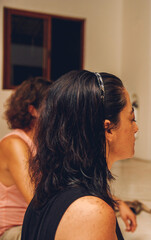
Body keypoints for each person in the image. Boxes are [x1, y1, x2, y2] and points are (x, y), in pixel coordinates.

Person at [21, 70, 138, 240]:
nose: (136, 128)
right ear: (108, 129)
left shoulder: (47, 193)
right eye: (131, 118)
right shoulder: (91, 212)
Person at [0, 77, 51, 240]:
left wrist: (116, 202)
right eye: (52, 106)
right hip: (12, 229)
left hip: (35, 223)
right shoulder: (14, 144)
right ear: (33, 110)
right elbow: (37, 199)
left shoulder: (43, 143)